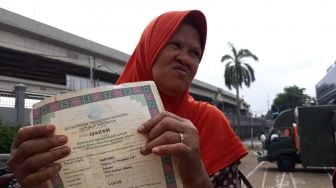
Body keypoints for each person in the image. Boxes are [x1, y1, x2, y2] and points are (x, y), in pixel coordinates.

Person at [7, 10, 248, 188]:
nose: (185, 58)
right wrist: (32, 180)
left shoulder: (209, 121)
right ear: (149, 49)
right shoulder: (91, 116)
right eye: (174, 45)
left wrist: (195, 173)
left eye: (195, 53)